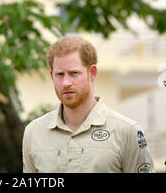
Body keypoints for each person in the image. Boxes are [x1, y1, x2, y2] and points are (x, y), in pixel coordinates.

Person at [22, 36, 155, 173]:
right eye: (60, 74)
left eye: (74, 73)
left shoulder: (128, 132)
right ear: (52, 76)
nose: (66, 82)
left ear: (92, 73)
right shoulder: (33, 132)